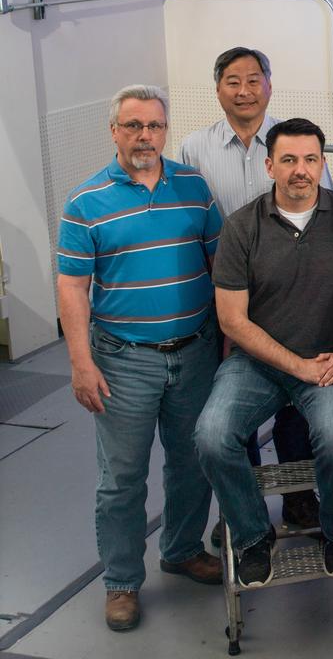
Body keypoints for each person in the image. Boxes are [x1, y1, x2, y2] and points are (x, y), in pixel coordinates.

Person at [57, 84, 223, 631]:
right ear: (114, 131)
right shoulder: (86, 203)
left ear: (165, 129)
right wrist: (82, 364)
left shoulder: (194, 188)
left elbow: (221, 266)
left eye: (153, 126)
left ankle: (180, 549)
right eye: (133, 126)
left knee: (192, 462)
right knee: (122, 478)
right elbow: (72, 290)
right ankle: (122, 582)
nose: (144, 136)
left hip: (195, 351)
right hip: (122, 361)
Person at [195, 118, 333, 586]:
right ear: (269, 165)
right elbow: (232, 320)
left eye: (310, 159)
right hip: (256, 366)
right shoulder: (241, 227)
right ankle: (252, 535)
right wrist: (296, 366)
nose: (301, 170)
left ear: (323, 163)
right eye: (289, 160)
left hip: (329, 363)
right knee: (212, 436)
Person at [179, 45, 332, 527]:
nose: (244, 91)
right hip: (225, 294)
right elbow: (190, 221)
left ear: (269, 85)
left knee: (296, 395)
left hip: (290, 293)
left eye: (253, 80)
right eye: (232, 81)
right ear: (218, 89)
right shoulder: (194, 149)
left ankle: (300, 494)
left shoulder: (293, 140)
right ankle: (241, 501)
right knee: (233, 394)